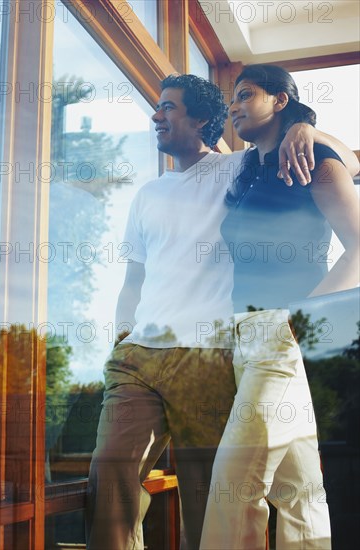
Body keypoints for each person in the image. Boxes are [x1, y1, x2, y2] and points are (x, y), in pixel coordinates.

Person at [85, 73, 359, 550]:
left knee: (214, 495)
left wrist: (305, 127)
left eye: (169, 107)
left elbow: (344, 160)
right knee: (110, 474)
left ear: (202, 120)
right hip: (141, 357)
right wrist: (122, 335)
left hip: (213, 352)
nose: (156, 116)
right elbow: (134, 280)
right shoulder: (147, 194)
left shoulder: (240, 167)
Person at [199, 64, 359, 550]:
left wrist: (299, 320)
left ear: (281, 100)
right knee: (299, 489)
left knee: (234, 477)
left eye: (246, 95)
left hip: (284, 333)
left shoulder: (315, 156)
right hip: (243, 335)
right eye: (231, 101)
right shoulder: (249, 170)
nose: (235, 107)